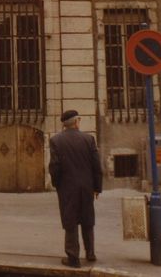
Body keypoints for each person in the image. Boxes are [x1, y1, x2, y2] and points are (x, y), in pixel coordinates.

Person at [48, 109, 103, 268]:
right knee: (87, 219)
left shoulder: (56, 141)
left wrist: (57, 184)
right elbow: (96, 166)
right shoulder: (89, 139)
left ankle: (73, 257)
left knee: (70, 220)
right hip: (86, 186)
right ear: (76, 122)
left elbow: (54, 166)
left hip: (67, 187)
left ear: (65, 124)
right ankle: (90, 253)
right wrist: (97, 188)